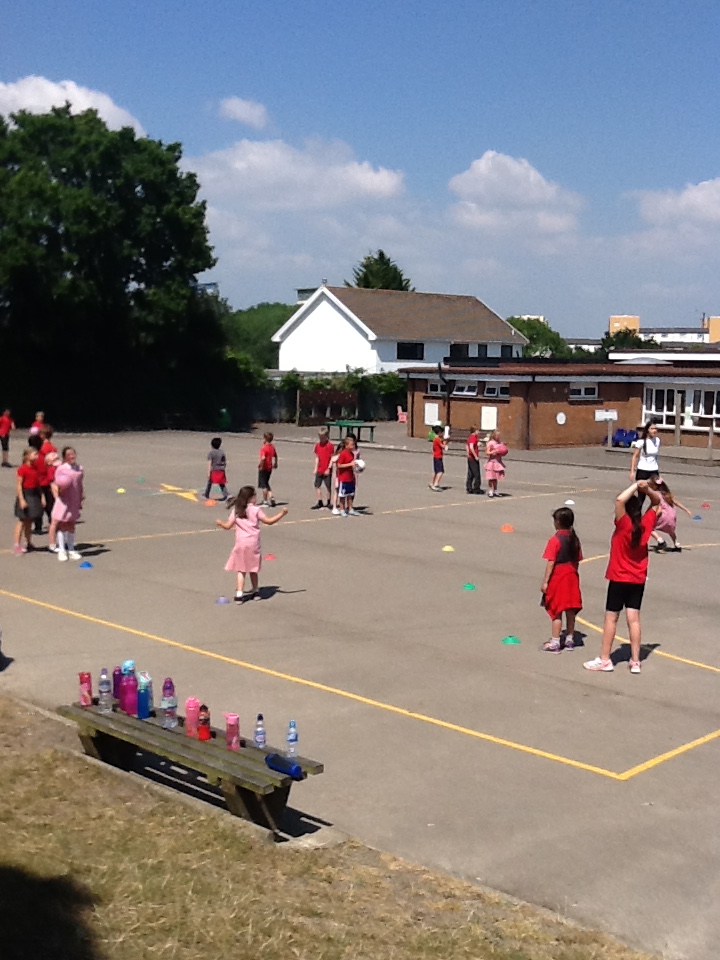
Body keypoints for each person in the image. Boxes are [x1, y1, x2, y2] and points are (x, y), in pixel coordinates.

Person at [583, 480, 662, 675]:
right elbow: (657, 502)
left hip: (619, 577)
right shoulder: (646, 525)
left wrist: (636, 485)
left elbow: (619, 499)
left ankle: (604, 659)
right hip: (637, 579)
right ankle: (635, 661)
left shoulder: (623, 524)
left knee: (611, 618)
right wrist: (648, 489)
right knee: (633, 618)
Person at [216, 485, 287, 602]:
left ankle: (239, 594)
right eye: (255, 496)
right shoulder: (255, 510)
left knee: (241, 569)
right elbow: (269, 521)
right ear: (250, 498)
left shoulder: (237, 510)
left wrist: (220, 523)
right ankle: (255, 591)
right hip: (253, 543)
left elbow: (227, 526)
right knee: (253, 569)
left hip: (240, 543)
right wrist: (282, 514)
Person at [541, 507, 583, 652]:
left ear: (558, 522)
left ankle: (555, 640)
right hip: (572, 575)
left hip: (559, 576)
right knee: (570, 609)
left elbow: (551, 561)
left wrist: (546, 581)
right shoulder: (575, 539)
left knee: (557, 610)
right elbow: (578, 560)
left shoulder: (555, 540)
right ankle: (570, 638)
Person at [51, 446, 85, 562]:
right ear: (65, 457)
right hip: (64, 500)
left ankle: (71, 549)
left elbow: (80, 485)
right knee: (62, 524)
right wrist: (59, 493)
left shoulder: (80, 469)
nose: (72, 456)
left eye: (73, 454)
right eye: (69, 455)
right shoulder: (61, 469)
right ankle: (61, 549)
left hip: (74, 500)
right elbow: (55, 485)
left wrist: (81, 498)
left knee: (71, 524)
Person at [648, 477, 692, 552]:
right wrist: (686, 510)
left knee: (649, 527)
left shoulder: (656, 494)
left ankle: (660, 540)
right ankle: (676, 543)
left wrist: (648, 514)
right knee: (671, 531)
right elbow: (676, 502)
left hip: (663, 515)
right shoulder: (667, 494)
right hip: (672, 515)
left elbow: (655, 506)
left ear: (655, 486)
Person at [12, 447, 42, 555]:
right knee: (22, 521)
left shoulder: (35, 468)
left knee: (29, 521)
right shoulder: (22, 469)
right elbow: (19, 485)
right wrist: (21, 499)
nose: (37, 456)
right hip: (25, 494)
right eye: (34, 454)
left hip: (34, 495)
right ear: (27, 456)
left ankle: (28, 542)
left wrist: (42, 497)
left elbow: (38, 484)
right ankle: (16, 544)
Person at [629, 421, 660, 505]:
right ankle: (637, 516)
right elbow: (635, 456)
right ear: (647, 430)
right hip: (643, 471)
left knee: (657, 496)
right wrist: (632, 471)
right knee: (641, 497)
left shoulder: (657, 440)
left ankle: (652, 516)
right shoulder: (641, 442)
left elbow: (656, 457)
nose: (654, 431)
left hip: (654, 471)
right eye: (652, 429)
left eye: (655, 428)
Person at [38, 425, 58, 531]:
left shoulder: (46, 447)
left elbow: (48, 463)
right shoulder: (52, 447)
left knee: (47, 502)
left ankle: (50, 522)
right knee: (49, 501)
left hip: (45, 477)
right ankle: (50, 521)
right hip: (47, 476)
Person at [311, 426, 333, 510]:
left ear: (326, 437)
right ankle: (319, 501)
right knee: (317, 485)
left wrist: (329, 468)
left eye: (322, 437)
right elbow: (317, 457)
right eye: (320, 437)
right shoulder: (317, 446)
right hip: (320, 469)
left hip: (326, 468)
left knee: (328, 486)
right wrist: (315, 468)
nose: (321, 439)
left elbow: (332, 458)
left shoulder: (329, 446)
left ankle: (328, 502)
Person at [336, 435, 358, 516]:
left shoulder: (352, 454)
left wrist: (356, 467)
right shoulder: (343, 454)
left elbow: (351, 465)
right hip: (344, 478)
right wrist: (350, 464)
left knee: (350, 494)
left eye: (354, 444)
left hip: (350, 477)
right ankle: (342, 509)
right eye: (352, 445)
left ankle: (350, 508)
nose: (353, 446)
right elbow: (339, 465)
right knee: (343, 495)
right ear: (346, 445)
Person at [204, 437, 229, 501]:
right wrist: (223, 468)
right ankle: (226, 494)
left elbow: (209, 463)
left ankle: (206, 494)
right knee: (221, 483)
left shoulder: (211, 453)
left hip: (214, 470)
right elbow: (224, 462)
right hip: (221, 470)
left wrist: (208, 472)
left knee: (210, 482)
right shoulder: (222, 452)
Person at [258, 432, 278, 507]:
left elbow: (263, 458)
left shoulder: (264, 448)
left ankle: (265, 501)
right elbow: (275, 455)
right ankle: (271, 497)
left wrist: (261, 465)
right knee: (266, 483)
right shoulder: (272, 447)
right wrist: (275, 463)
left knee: (263, 485)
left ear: (265, 439)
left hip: (264, 468)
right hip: (270, 467)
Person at [484, 430, 507, 497]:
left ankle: (495, 490)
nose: (498, 437)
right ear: (494, 435)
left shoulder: (500, 442)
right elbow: (487, 452)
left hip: (498, 461)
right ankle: (490, 490)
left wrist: (502, 452)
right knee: (491, 478)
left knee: (496, 478)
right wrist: (493, 452)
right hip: (492, 462)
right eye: (497, 435)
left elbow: (503, 450)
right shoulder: (490, 443)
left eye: (499, 435)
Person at [465, 426, 482, 494]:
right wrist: (475, 456)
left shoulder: (472, 438)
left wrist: (467, 453)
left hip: (470, 458)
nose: (479, 432)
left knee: (471, 473)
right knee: (476, 474)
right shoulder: (473, 438)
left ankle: (469, 487)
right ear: (475, 431)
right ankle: (476, 488)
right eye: (478, 431)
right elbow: (471, 447)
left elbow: (467, 445)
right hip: (472, 458)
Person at [429, 425, 446, 491]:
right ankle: (436, 484)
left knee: (436, 471)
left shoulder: (436, 439)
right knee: (440, 471)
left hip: (436, 456)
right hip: (438, 456)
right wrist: (445, 445)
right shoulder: (437, 439)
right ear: (439, 432)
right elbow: (443, 446)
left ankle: (432, 483)